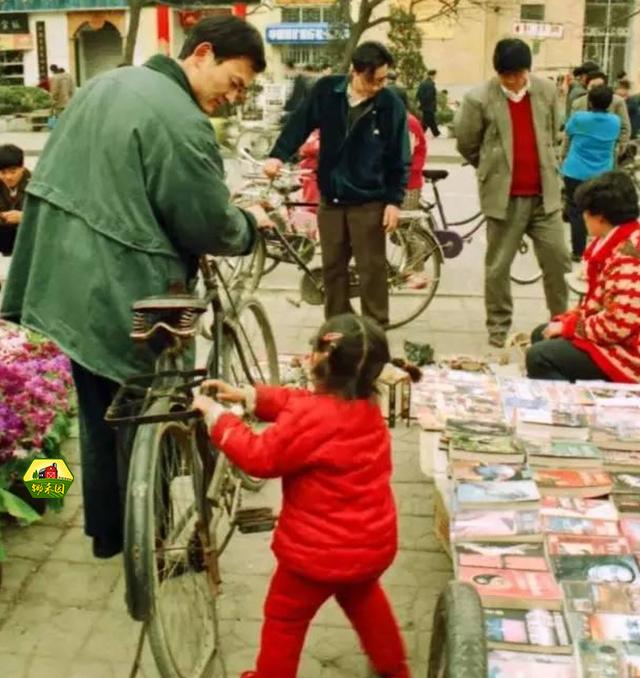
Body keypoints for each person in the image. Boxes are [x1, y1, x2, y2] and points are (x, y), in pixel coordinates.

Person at [1, 16, 272, 559]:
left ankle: (105, 531)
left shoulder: (104, 83)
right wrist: (247, 225)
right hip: (129, 291)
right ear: (203, 53)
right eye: (235, 81)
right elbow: (205, 224)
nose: (233, 98)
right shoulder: (182, 120)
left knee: (93, 413)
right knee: (153, 408)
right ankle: (154, 534)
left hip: (59, 279)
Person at [193, 313, 411, 678]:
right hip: (370, 545)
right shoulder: (367, 408)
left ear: (318, 360)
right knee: (363, 597)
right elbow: (298, 404)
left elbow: (260, 457)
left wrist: (218, 417)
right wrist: (252, 396)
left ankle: (270, 676)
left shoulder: (311, 416)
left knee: (284, 617)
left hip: (313, 558)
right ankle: (396, 669)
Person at [264, 41, 410, 328]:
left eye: (384, 79)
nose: (379, 86)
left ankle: (374, 331)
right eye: (373, 80)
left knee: (371, 271)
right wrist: (278, 156)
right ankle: (339, 328)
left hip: (369, 201)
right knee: (332, 270)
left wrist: (394, 201)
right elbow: (299, 123)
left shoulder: (389, 104)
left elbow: (399, 156)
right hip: (331, 199)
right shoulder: (327, 91)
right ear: (355, 71)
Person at [455, 38, 571, 348]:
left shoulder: (546, 92)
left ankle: (560, 322)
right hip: (504, 199)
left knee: (558, 260)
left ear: (527, 71)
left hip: (544, 195)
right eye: (507, 75)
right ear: (498, 73)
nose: (514, 81)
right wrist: (492, 169)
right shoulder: (478, 98)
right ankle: (498, 327)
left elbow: (553, 132)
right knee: (498, 267)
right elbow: (466, 142)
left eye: (519, 74)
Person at [526, 172, 640, 383]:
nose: (582, 218)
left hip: (630, 351)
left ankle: (573, 408)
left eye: (585, 212)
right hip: (620, 337)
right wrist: (567, 321)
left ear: (600, 217)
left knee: (539, 357)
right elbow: (597, 307)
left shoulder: (629, 256)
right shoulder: (617, 240)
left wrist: (570, 328)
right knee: (541, 334)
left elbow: (618, 324)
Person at [561, 85, 621, 261]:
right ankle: (600, 250)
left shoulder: (579, 118)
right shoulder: (615, 121)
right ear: (609, 103)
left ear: (589, 101)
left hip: (575, 171)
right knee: (600, 211)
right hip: (602, 174)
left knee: (576, 210)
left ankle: (578, 251)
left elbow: (567, 132)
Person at [395, 87, 429, 289]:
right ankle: (412, 267)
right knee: (400, 228)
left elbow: (404, 156)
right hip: (403, 181)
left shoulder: (407, 123)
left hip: (407, 183)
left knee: (405, 227)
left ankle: (417, 270)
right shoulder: (401, 120)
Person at [568, 70, 631, 158]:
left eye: (600, 86)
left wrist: (620, 148)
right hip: (582, 152)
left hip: (607, 152)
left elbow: (625, 127)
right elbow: (570, 131)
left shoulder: (617, 102)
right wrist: (565, 153)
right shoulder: (578, 103)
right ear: (587, 87)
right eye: (593, 86)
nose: (596, 90)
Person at [0, 144, 30, 259]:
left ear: (22, 167)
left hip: (28, 235)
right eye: (3, 173)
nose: (8, 177)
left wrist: (25, 217)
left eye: (13, 172)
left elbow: (47, 216)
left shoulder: (36, 184)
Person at [416, 69, 440, 137]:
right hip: (429, 105)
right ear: (432, 75)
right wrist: (425, 103)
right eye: (435, 75)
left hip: (425, 105)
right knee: (428, 120)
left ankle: (436, 133)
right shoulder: (430, 84)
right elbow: (429, 96)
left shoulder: (423, 83)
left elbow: (418, 94)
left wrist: (420, 102)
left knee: (429, 120)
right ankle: (421, 132)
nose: (435, 77)